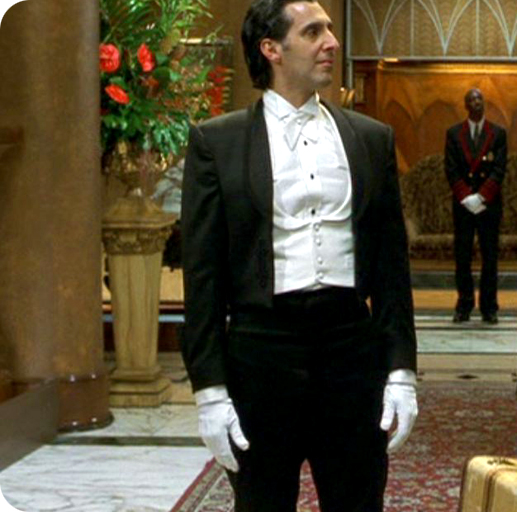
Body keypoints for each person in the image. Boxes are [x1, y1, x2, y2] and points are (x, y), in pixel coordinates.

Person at [180, 1, 417, 510]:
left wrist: (401, 371)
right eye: (313, 32)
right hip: (260, 353)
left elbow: (391, 269)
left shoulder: (371, 139)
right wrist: (210, 391)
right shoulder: (216, 142)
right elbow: (203, 278)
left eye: (330, 29)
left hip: (351, 350)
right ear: (272, 49)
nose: (332, 42)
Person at [444, 88, 507, 324]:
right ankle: (464, 305)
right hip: (463, 206)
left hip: (488, 205)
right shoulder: (454, 134)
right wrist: (466, 197)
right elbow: (451, 168)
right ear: (465, 105)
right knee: (463, 258)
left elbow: (499, 169)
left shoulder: (497, 134)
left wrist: (481, 197)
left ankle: (489, 307)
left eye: (479, 98)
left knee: (490, 258)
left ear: (484, 103)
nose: (476, 102)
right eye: (471, 99)